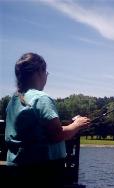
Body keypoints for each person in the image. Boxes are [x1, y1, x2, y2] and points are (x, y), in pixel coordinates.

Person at [4, 52, 90, 187]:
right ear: (39, 71)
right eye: (46, 73)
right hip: (44, 171)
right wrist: (77, 124)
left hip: (16, 168)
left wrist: (69, 125)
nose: (46, 77)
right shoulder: (42, 98)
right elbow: (57, 135)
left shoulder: (13, 100)